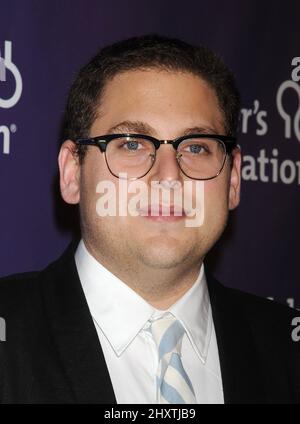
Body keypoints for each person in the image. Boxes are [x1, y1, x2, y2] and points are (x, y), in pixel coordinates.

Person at [0, 34, 299, 404]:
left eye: (196, 147)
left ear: (233, 178)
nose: (168, 176)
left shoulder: (286, 347)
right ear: (72, 174)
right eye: (131, 144)